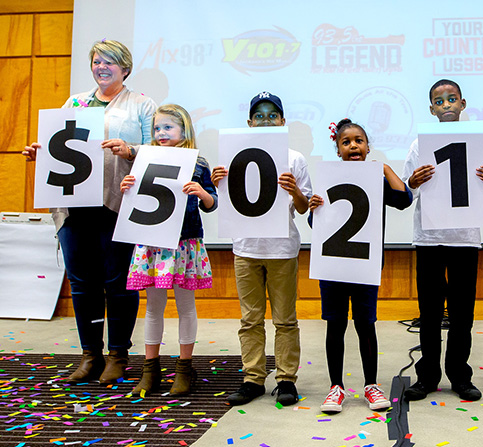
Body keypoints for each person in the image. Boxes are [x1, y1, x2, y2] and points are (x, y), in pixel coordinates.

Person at [22, 40, 157, 384]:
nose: (101, 67)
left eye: (110, 62)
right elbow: (63, 147)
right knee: (82, 284)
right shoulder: (75, 102)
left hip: (118, 203)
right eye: (97, 61)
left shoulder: (141, 104)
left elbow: (158, 152)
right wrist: (42, 152)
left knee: (119, 283)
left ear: (125, 68)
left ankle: (117, 355)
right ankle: (90, 355)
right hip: (74, 203)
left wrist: (130, 150)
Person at [401, 79, 483, 402]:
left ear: (463, 103)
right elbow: (406, 191)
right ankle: (427, 376)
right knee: (428, 312)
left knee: (462, 312)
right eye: (439, 101)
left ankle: (459, 375)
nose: (446, 105)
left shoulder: (477, 141)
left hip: (465, 237)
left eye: (451, 99)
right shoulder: (419, 145)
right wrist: (413, 182)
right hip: (429, 238)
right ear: (431, 109)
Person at [211, 92, 312, 406]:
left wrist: (294, 190)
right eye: (259, 115)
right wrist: (218, 184)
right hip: (245, 249)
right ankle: (252, 378)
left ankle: (285, 380)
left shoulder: (294, 157)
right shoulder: (232, 155)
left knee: (285, 319)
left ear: (282, 121)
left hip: (282, 249)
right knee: (250, 320)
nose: (265, 120)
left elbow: (305, 206)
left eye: (272, 115)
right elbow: (224, 205)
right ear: (249, 122)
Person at [309, 119, 412, 413]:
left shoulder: (378, 179)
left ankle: (371, 385)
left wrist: (386, 169)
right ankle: (336, 387)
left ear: (368, 147)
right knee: (336, 324)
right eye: (346, 142)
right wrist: (315, 206)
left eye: (359, 140)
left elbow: (404, 199)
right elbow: (314, 223)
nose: (353, 145)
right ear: (338, 149)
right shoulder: (328, 177)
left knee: (366, 324)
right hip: (333, 264)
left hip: (365, 265)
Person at [121, 104, 217, 396]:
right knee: (154, 307)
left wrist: (202, 193)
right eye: (157, 129)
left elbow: (212, 202)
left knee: (186, 306)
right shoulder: (145, 159)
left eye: (168, 128)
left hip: (185, 241)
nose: (162, 133)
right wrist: (127, 185)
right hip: (153, 241)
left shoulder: (198, 163)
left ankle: (184, 369)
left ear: (184, 130)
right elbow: (137, 195)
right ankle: (150, 369)